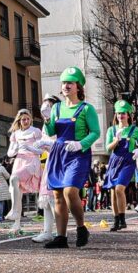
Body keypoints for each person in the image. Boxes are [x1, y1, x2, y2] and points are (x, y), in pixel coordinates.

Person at [42, 66, 100, 249]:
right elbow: (51, 131)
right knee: (57, 194)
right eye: (64, 82)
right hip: (59, 153)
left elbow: (96, 132)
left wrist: (81, 144)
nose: (66, 86)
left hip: (78, 154)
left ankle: (81, 227)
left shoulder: (86, 109)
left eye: (70, 82)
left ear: (78, 87)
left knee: (69, 191)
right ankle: (61, 236)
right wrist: (45, 119)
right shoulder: (56, 108)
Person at [103, 99, 138, 231]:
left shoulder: (135, 130)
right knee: (112, 191)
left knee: (119, 189)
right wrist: (116, 140)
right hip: (114, 161)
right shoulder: (111, 130)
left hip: (128, 162)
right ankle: (116, 220)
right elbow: (107, 148)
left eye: (123, 113)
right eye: (118, 113)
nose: (121, 116)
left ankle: (122, 218)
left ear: (128, 115)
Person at [5, 109, 44, 234]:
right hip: (19, 161)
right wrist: (16, 149)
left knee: (13, 178)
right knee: (18, 192)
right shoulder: (15, 134)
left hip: (32, 161)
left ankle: (14, 210)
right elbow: (9, 153)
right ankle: (17, 224)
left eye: (28, 119)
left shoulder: (36, 131)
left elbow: (41, 151)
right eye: (23, 119)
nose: (26, 121)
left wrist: (29, 147)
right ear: (19, 121)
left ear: (31, 119)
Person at [30, 95, 59, 244]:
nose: (46, 108)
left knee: (56, 199)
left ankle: (61, 232)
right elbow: (45, 146)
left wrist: (45, 143)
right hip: (49, 161)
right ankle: (47, 230)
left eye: (49, 106)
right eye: (44, 106)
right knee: (47, 199)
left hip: (60, 161)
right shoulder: (45, 125)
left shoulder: (61, 120)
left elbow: (59, 142)